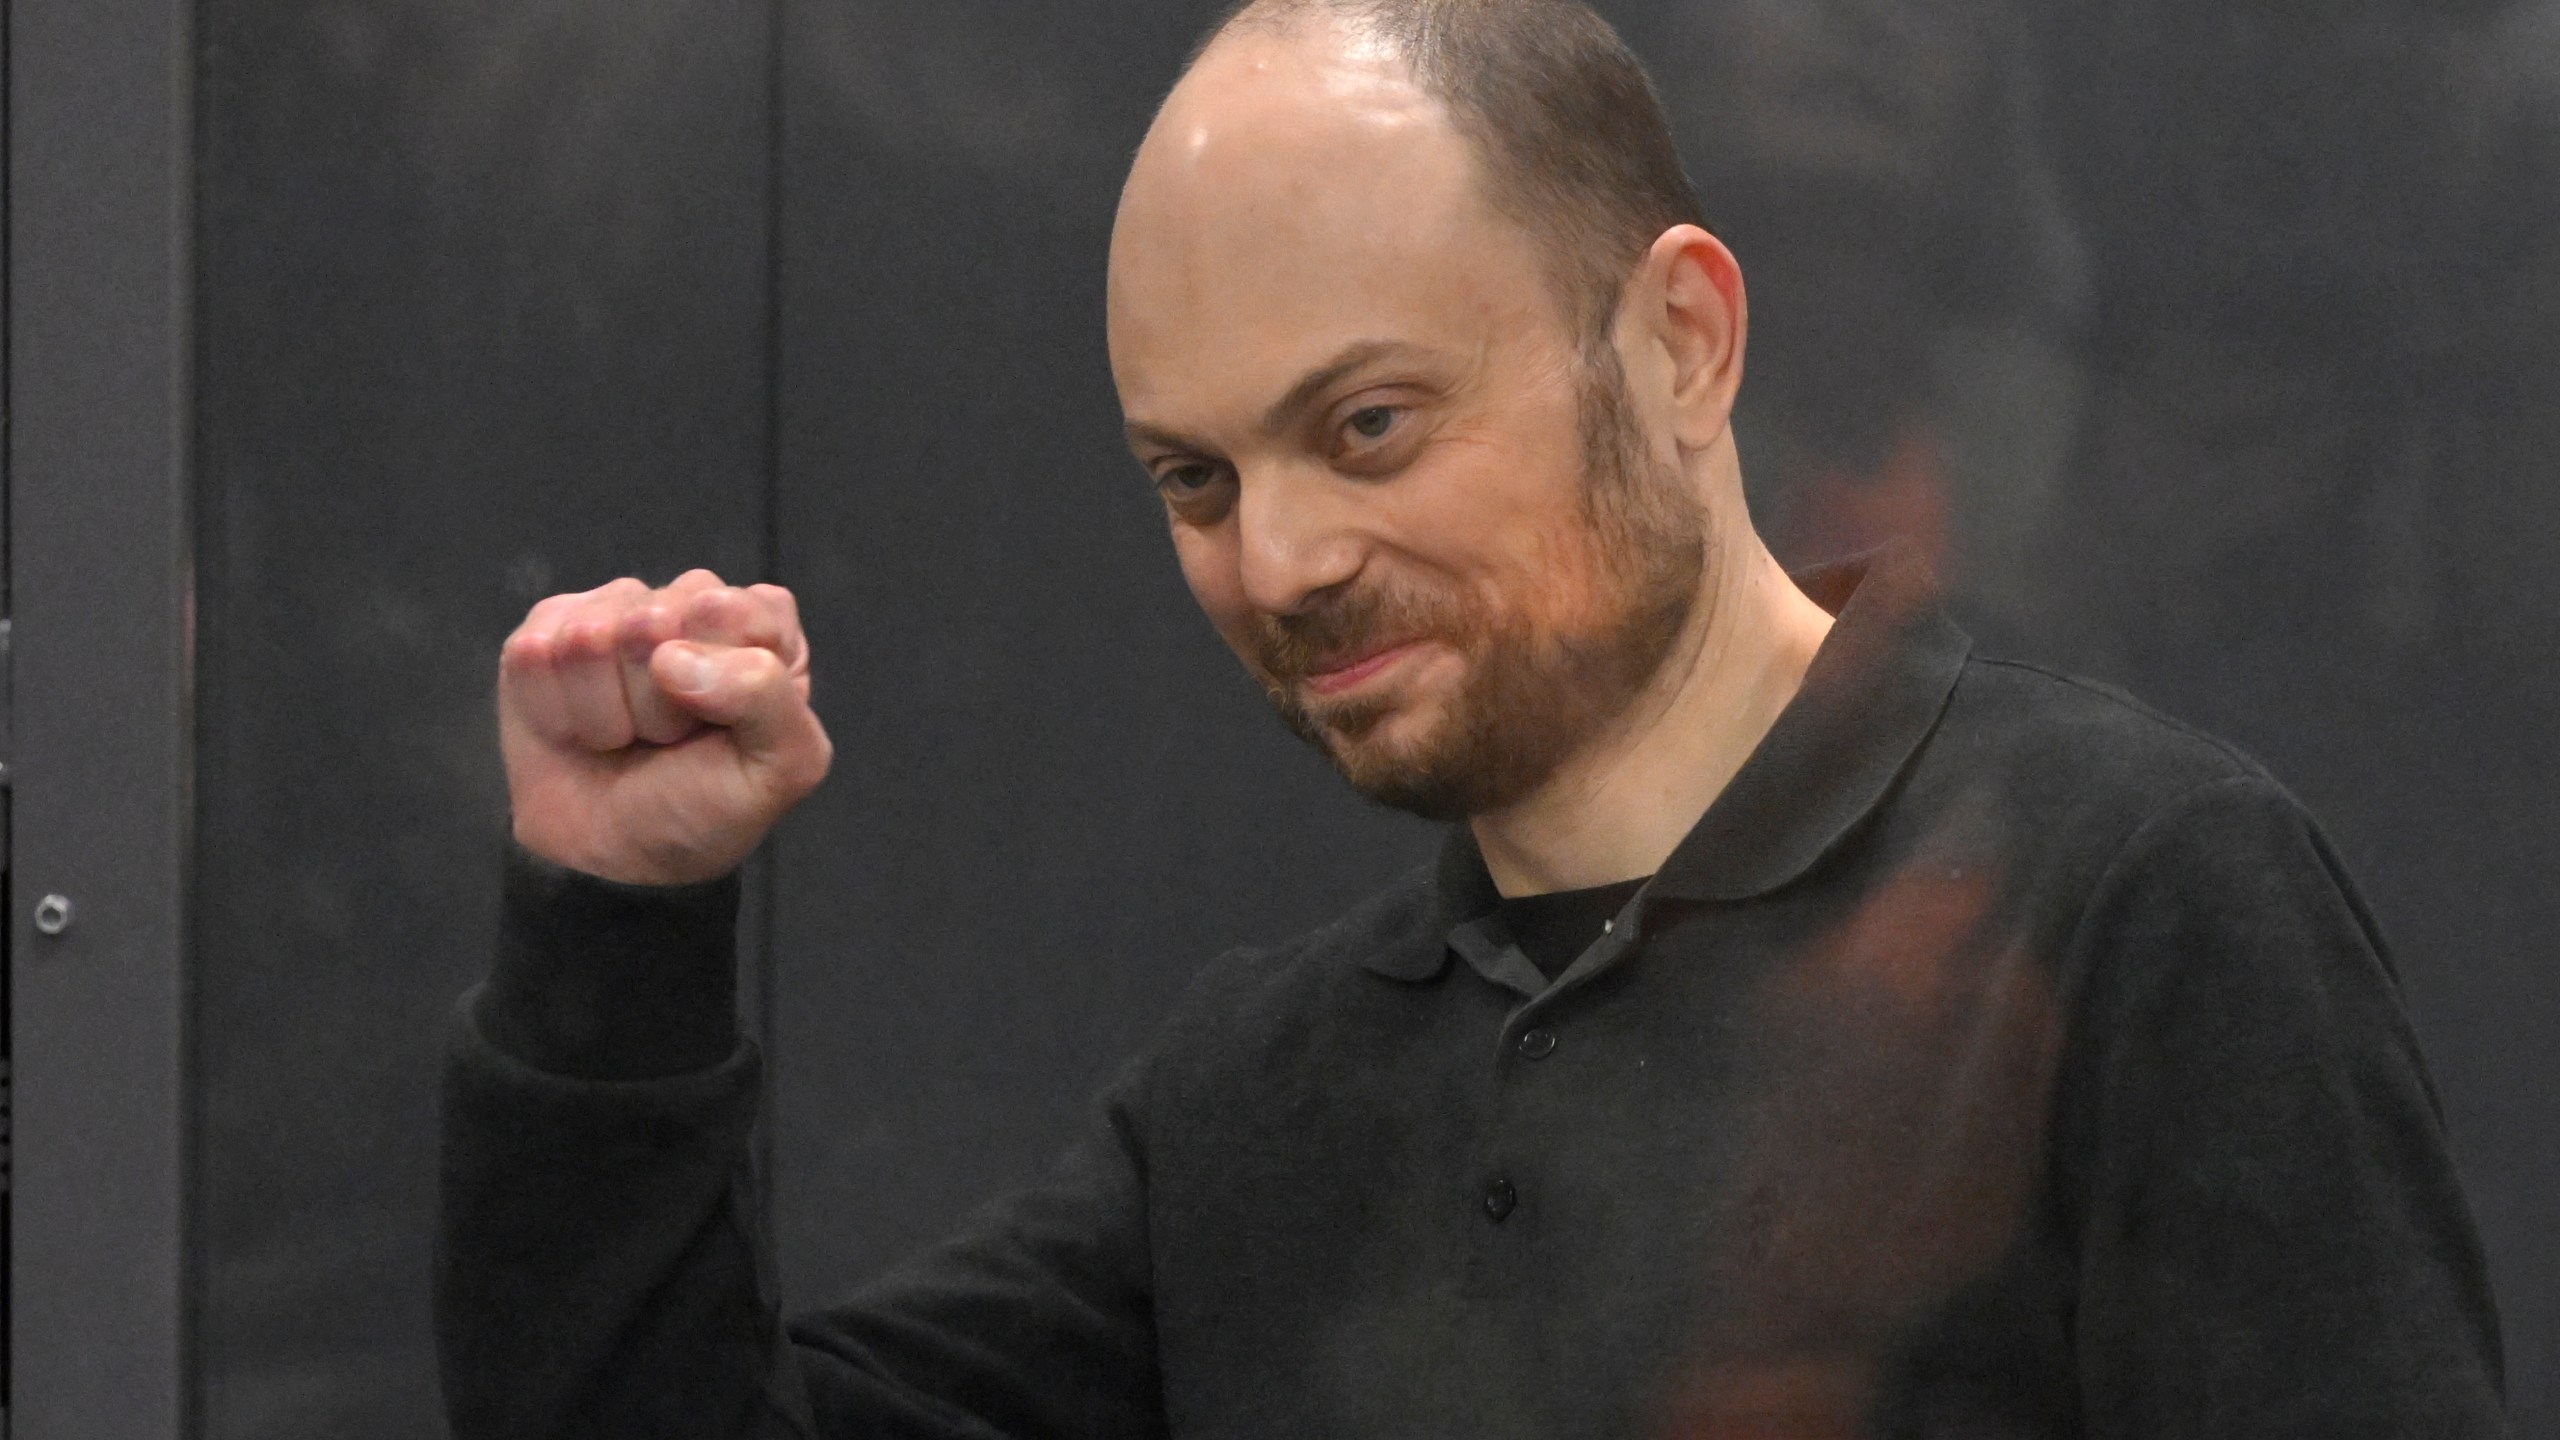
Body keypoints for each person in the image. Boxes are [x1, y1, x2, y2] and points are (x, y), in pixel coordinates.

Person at [436, 1, 2507, 1435]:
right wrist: (607, 932)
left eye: (1367, 423)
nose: (1280, 558)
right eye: (1196, 479)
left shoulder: (2132, 900)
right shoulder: (1260, 1095)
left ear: (1679, 340)